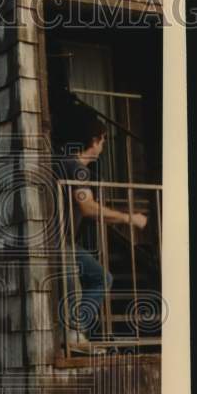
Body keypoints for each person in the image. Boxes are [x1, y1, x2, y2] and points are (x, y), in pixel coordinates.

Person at [56, 107, 147, 348]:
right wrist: (130, 218)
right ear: (94, 141)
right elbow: (89, 209)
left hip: (59, 242)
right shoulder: (76, 168)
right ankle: (75, 333)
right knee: (100, 279)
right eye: (103, 140)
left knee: (97, 278)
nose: (103, 146)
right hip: (58, 244)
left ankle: (77, 333)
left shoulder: (64, 163)